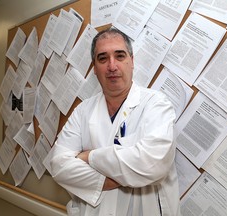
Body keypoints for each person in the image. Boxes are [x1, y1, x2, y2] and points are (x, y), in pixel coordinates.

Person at [47, 27, 181, 216]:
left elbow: (153, 163)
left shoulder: (156, 104)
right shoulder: (83, 111)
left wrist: (88, 157)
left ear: (131, 62)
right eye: (103, 58)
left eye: (120, 56)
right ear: (94, 67)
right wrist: (121, 177)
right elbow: (59, 166)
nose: (112, 66)